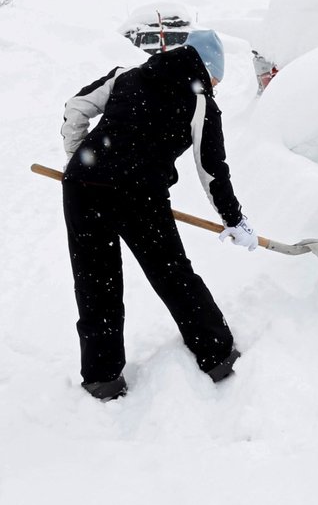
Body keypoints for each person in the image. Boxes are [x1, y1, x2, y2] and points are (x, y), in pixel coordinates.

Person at [61, 29, 257, 401]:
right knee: (172, 274)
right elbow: (213, 170)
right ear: (208, 70)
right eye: (216, 78)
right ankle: (217, 355)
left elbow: (75, 106)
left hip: (84, 188)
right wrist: (234, 219)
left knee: (95, 282)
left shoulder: (127, 73)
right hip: (139, 196)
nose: (215, 84)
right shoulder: (200, 102)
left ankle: (102, 378)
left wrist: (78, 159)